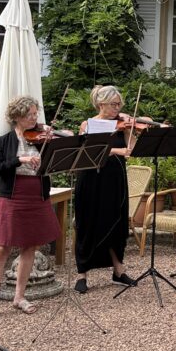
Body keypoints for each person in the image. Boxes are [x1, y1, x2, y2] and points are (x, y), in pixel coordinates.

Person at [0, 95, 61, 321]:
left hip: (37, 194)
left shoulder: (42, 138)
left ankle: (19, 296)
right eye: (29, 115)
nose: (34, 118)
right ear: (17, 117)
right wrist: (20, 160)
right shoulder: (4, 140)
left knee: (30, 246)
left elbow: (55, 163)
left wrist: (53, 145)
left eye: (35, 114)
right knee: (2, 248)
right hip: (13, 196)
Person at [72, 85, 149, 294]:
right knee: (87, 223)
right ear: (101, 104)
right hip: (90, 179)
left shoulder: (121, 125)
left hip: (114, 179)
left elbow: (132, 150)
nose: (118, 108)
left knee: (116, 224)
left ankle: (118, 270)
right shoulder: (88, 124)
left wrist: (129, 130)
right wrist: (117, 150)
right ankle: (82, 274)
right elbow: (87, 151)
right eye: (114, 104)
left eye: (119, 104)